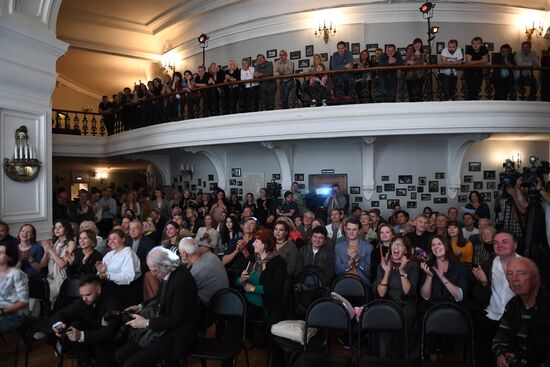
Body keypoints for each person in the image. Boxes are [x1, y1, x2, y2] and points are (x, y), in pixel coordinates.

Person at [116, 247, 199, 367]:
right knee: (120, 355)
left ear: (166, 265)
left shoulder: (182, 281)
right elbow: (159, 297)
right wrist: (140, 306)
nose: (153, 274)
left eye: (155, 271)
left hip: (177, 335)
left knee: (131, 364)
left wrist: (146, 323)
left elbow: (176, 319)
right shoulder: (169, 273)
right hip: (163, 328)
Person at [472, 231, 521, 367]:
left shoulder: (527, 266)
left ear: (515, 245)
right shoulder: (487, 264)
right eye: (495, 242)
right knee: (484, 357)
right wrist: (483, 283)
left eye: (504, 242)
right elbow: (478, 297)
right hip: (490, 316)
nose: (499, 245)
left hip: (516, 321)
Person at [48, 275, 120, 367]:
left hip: (109, 343)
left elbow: (108, 333)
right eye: (82, 295)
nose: (84, 299)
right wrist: (58, 325)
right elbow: (61, 314)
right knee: (74, 327)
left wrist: (81, 335)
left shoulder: (113, 302)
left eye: (88, 295)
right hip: (92, 337)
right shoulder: (84, 301)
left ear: (98, 290)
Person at [492, 257, 550, 367]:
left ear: (535, 277)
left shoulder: (546, 304)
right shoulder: (513, 304)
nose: (514, 279)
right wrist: (501, 355)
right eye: (510, 274)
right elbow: (499, 339)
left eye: (521, 273)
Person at [374, 235, 420, 358]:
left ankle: (404, 357)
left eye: (400, 245)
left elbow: (408, 292)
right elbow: (381, 293)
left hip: (406, 304)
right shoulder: (383, 266)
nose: (396, 247)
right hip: (387, 303)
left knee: (405, 318)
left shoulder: (412, 266)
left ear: (406, 250)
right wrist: (387, 272)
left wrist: (402, 271)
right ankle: (383, 357)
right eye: (394, 244)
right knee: (383, 320)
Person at [237, 228, 287, 325]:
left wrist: (253, 288)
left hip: (267, 307)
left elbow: (275, 289)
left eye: (256, 241)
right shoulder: (253, 259)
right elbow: (237, 279)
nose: (253, 244)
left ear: (265, 244)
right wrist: (241, 280)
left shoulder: (278, 262)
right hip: (247, 303)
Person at [179, 237, 228, 318]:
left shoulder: (198, 271)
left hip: (211, 309)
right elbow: (204, 248)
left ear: (184, 254)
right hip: (222, 299)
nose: (180, 255)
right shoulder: (209, 255)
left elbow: (183, 292)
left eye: (180, 252)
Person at [96, 229, 141, 308]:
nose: (111, 241)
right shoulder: (108, 254)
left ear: (123, 239)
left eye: (114, 238)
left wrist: (108, 276)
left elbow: (128, 277)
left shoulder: (129, 254)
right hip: (107, 286)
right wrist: (101, 272)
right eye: (109, 239)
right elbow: (101, 275)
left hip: (122, 290)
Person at [40, 219, 77, 303]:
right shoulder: (55, 242)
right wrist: (46, 252)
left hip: (61, 278)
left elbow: (62, 264)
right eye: (55, 227)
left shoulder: (71, 244)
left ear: (66, 229)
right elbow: (42, 265)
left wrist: (51, 250)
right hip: (50, 277)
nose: (57, 229)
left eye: (60, 227)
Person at [0, 242, 29, 334]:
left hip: (15, 314)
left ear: (9, 257)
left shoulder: (16, 274)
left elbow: (24, 302)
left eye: (1, 252)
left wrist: (2, 311)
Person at [334, 218, 373, 285]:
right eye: (349, 229)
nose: (351, 232)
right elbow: (337, 271)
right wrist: (349, 263)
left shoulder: (368, 247)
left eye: (354, 229)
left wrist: (358, 261)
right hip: (342, 282)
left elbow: (369, 273)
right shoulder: (338, 247)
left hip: (362, 283)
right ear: (345, 230)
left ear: (359, 231)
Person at [222, 216, 256, 285]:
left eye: (252, 224)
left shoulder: (256, 243)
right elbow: (224, 261)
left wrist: (244, 250)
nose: (248, 225)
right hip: (230, 272)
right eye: (247, 223)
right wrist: (236, 252)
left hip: (245, 274)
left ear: (255, 228)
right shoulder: (235, 241)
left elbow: (253, 264)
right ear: (243, 226)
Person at [273, 220, 298, 298]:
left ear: (286, 233)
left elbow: (292, 267)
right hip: (268, 275)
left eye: (281, 230)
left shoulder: (292, 246)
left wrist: (278, 275)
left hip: (284, 278)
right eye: (276, 229)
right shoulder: (269, 243)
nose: (277, 232)